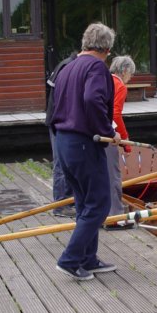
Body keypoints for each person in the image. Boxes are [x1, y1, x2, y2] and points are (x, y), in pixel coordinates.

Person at [49, 22, 120, 281]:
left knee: (84, 202)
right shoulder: (96, 67)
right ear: (107, 48)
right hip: (83, 142)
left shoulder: (67, 67)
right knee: (100, 203)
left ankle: (88, 259)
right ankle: (70, 259)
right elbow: (92, 100)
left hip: (63, 141)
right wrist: (108, 132)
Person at [45, 50, 77, 216]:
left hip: (58, 120)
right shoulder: (68, 67)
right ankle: (60, 205)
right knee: (60, 164)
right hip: (58, 122)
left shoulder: (64, 64)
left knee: (66, 163)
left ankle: (68, 201)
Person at [107, 55, 136, 216]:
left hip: (91, 132)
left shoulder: (104, 79)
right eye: (130, 74)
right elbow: (115, 114)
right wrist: (126, 140)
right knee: (113, 176)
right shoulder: (119, 85)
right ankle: (115, 216)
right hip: (108, 134)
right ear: (124, 70)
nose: (130, 78)